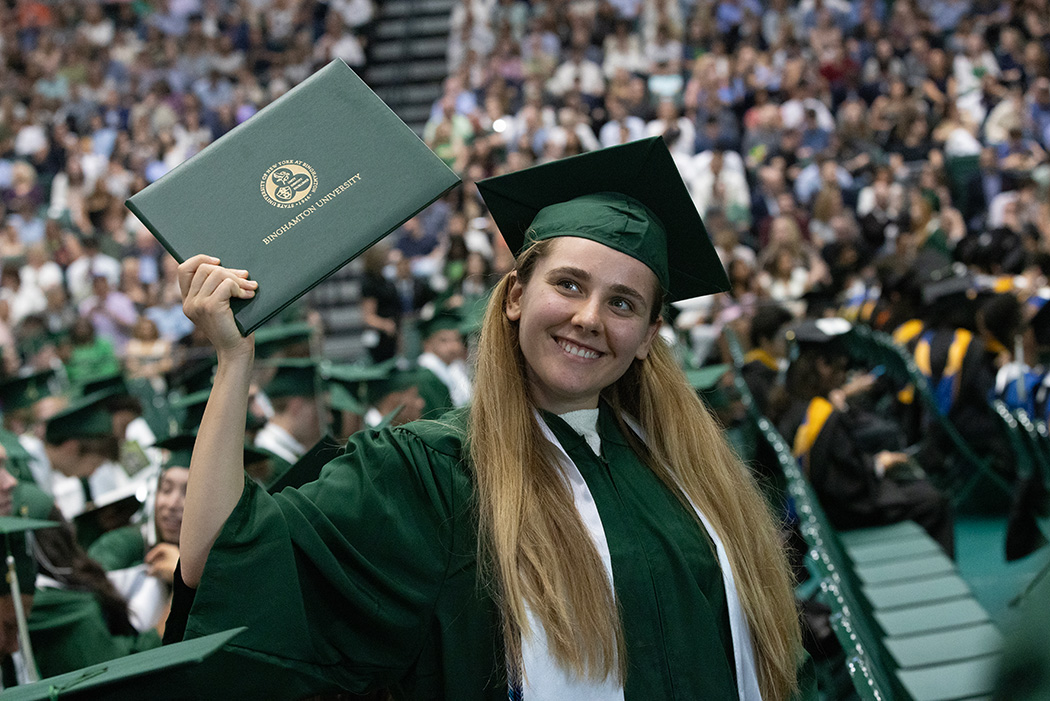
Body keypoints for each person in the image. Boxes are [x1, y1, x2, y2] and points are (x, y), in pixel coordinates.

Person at [171, 139, 811, 699]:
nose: (590, 317)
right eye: (567, 284)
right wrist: (232, 361)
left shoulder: (688, 471)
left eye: (622, 302)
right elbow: (219, 560)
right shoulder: (433, 474)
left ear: (648, 334)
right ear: (514, 297)